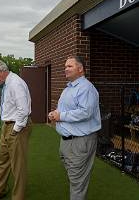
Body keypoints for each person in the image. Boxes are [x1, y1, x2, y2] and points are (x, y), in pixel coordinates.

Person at [48, 56, 101, 200]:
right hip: (67, 141)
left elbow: (86, 112)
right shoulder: (69, 88)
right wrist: (55, 114)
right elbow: (63, 110)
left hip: (80, 142)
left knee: (77, 181)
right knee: (75, 177)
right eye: (65, 66)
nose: (66, 68)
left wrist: (61, 116)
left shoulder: (86, 88)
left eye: (69, 66)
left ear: (80, 68)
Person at [0, 60, 32, 200]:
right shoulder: (8, 83)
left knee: (18, 165)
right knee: (3, 159)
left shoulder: (15, 83)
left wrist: (15, 129)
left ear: (0, 72)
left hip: (17, 126)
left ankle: (18, 197)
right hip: (8, 125)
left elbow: (23, 109)